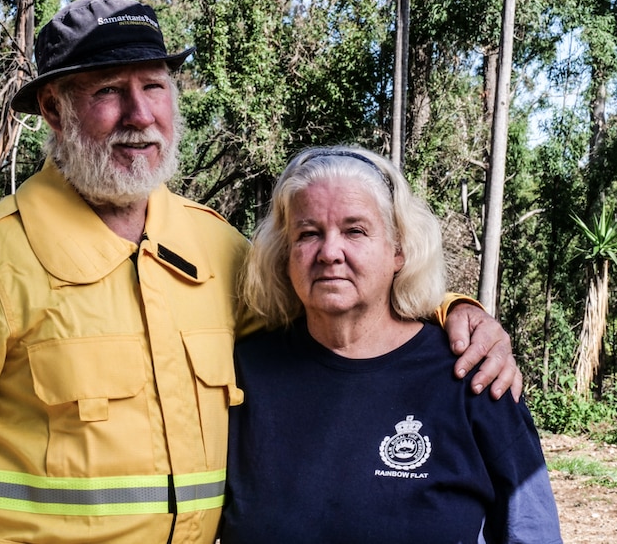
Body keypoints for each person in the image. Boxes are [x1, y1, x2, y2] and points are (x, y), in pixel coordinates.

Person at [0, 0, 520, 544]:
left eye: (154, 86)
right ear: (55, 111)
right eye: (109, 92)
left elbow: (343, 308)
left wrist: (451, 310)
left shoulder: (214, 248)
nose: (141, 113)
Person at [220, 146, 562, 543]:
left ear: (398, 249)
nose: (330, 253)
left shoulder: (474, 372)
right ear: (286, 254)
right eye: (308, 233)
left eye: (355, 231)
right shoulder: (245, 375)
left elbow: (532, 532)